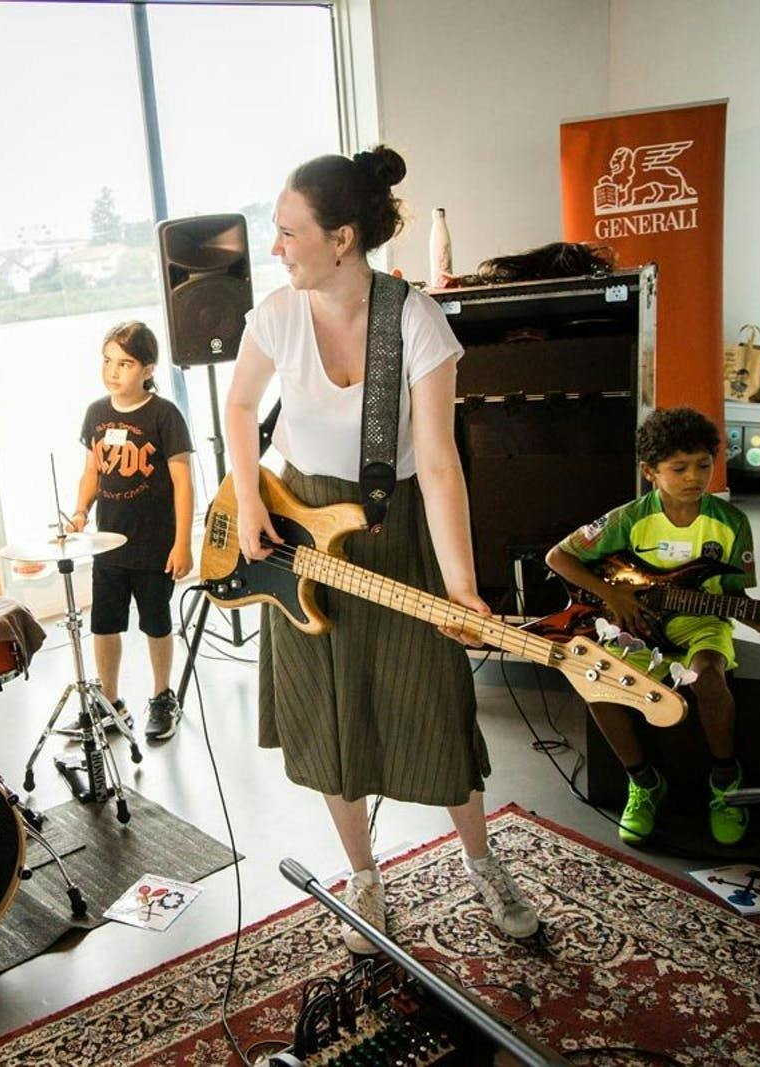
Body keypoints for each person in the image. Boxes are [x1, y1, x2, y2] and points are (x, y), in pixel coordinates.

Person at [224, 147, 538, 952]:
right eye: (276, 231)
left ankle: (479, 859)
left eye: (289, 232)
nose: (276, 247)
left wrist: (462, 586)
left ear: (343, 237)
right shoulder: (276, 313)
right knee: (329, 714)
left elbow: (437, 464)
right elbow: (238, 409)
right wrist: (253, 494)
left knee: (434, 703)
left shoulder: (414, 319)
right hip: (300, 530)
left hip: (392, 526)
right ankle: (364, 875)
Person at [545, 406, 760, 846]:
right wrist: (613, 595)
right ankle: (642, 781)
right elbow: (558, 557)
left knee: (709, 677)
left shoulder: (731, 523)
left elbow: (734, 597)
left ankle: (725, 783)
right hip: (634, 624)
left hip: (701, 623)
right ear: (650, 472)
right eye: (678, 468)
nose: (693, 476)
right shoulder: (628, 518)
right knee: (593, 680)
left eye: (703, 465)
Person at [67, 322, 193, 741]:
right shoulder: (96, 414)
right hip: (108, 546)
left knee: (156, 623)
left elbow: (183, 482)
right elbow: (91, 472)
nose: (113, 371)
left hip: (155, 546)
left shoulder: (164, 415)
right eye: (107, 361)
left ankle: (162, 695)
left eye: (124, 363)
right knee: (104, 625)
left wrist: (182, 544)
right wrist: (81, 511)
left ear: (148, 368)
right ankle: (109, 701)